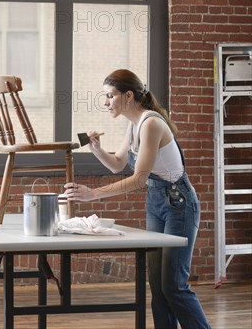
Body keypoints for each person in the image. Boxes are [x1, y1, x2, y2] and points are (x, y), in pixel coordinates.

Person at [64, 69, 211, 329]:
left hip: (179, 203)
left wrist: (93, 194)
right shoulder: (133, 124)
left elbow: (139, 178)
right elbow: (118, 164)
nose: (106, 102)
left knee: (174, 286)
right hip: (157, 201)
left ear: (128, 96)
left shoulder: (151, 124)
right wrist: (97, 149)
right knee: (158, 286)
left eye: (110, 96)